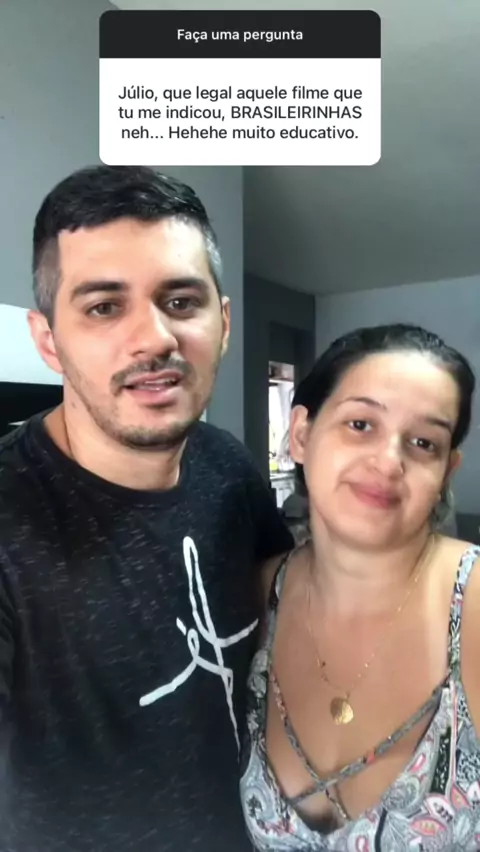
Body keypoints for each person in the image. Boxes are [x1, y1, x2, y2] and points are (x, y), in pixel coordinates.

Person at [0, 165, 294, 852]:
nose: (155, 338)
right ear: (48, 341)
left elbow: (293, 612)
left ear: (223, 323)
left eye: (181, 301)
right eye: (104, 307)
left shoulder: (229, 466)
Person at [240, 323, 480, 851]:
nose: (389, 461)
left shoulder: (473, 604)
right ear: (301, 435)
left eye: (424, 443)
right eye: (360, 424)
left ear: (446, 470)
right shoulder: (254, 598)